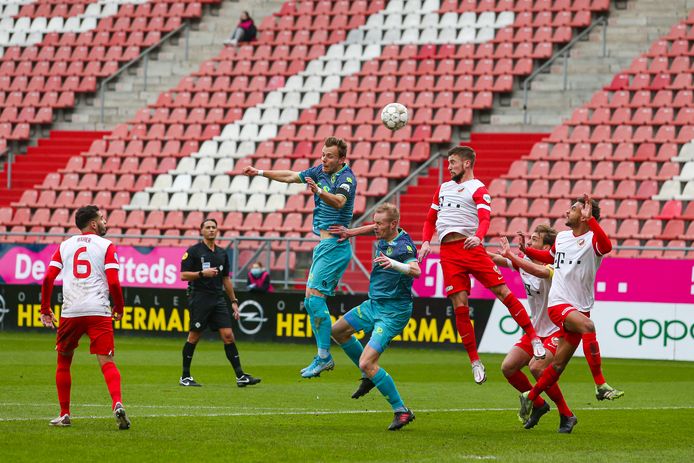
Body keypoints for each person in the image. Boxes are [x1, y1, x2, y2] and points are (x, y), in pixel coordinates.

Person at [418, 146, 545, 385]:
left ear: (466, 163)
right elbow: (429, 219)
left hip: (471, 247)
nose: (449, 166)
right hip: (448, 252)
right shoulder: (443, 189)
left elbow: (485, 217)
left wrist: (479, 235)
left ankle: (534, 337)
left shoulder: (478, 188)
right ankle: (475, 361)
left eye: (453, 162)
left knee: (503, 291)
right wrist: (426, 242)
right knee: (459, 303)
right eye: (448, 162)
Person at [243, 136, 357, 378]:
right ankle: (362, 364)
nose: (324, 159)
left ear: (342, 159)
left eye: (330, 156)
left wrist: (320, 191)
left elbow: (339, 202)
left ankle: (324, 357)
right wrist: (260, 172)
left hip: (335, 245)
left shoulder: (346, 178)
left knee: (315, 301)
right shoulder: (319, 171)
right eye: (323, 154)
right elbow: (290, 176)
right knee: (310, 301)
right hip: (324, 244)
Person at [518, 195, 618, 434]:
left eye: (572, 209)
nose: (567, 212)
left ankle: (530, 396)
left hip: (580, 307)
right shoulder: (562, 237)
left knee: (557, 366)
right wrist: (527, 251)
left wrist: (591, 221)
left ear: (585, 214)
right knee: (589, 327)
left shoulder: (593, 238)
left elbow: (607, 247)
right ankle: (600, 385)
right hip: (559, 304)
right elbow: (549, 258)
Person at [328, 203, 420, 431]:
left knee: (368, 362)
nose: (375, 228)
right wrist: (350, 232)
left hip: (393, 312)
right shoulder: (385, 230)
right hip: (373, 304)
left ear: (393, 224)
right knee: (338, 331)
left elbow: (416, 270)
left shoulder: (404, 247)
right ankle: (368, 376)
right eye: (375, 223)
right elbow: (371, 228)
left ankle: (402, 411)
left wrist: (394, 264)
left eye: (379, 224)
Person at [39, 205, 130, 430]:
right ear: (93, 224)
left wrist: (45, 309)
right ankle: (117, 402)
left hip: (71, 310)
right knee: (107, 361)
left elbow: (48, 278)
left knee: (64, 361)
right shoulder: (107, 245)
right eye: (101, 218)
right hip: (98, 310)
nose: (105, 221)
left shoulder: (65, 245)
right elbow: (114, 282)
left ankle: (64, 413)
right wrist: (119, 306)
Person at [488, 226, 575, 432]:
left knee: (537, 367)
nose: (528, 243)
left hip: (555, 330)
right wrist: (469, 249)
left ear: (546, 247)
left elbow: (537, 271)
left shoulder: (553, 267)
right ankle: (538, 405)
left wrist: (514, 257)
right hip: (535, 332)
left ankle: (567, 414)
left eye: (534, 240)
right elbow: (494, 258)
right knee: (508, 367)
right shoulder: (523, 264)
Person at [179, 218, 260, 388]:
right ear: (201, 231)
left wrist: (234, 301)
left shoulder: (222, 253)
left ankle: (240, 376)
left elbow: (226, 279)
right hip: (200, 297)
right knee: (194, 336)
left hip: (218, 299)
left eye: (213, 227)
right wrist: (202, 273)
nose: (211, 230)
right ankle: (185, 376)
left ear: (217, 231)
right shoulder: (193, 252)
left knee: (228, 336)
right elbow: (183, 275)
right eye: (207, 227)